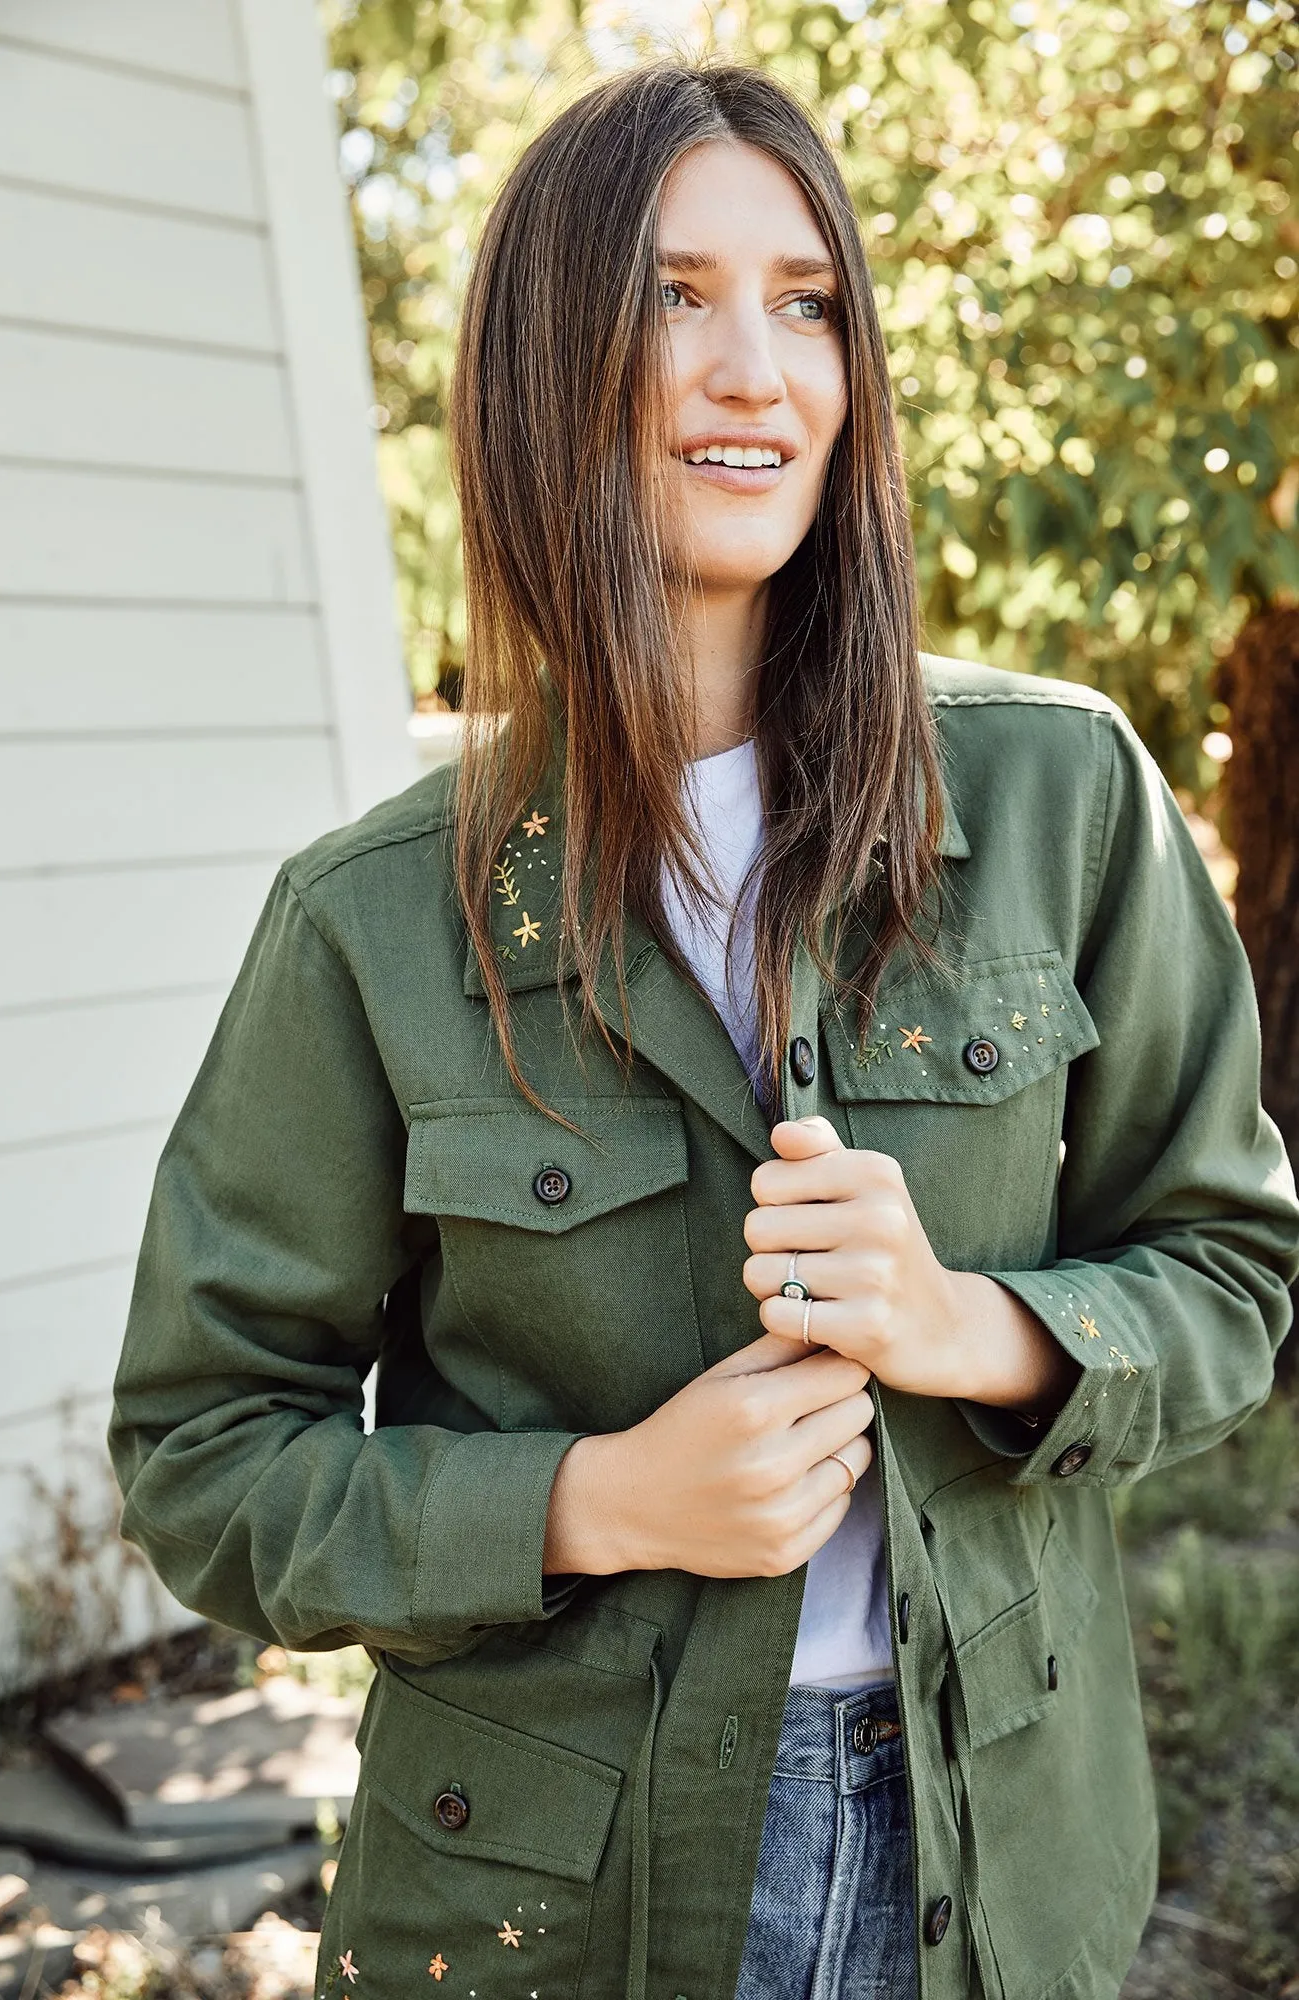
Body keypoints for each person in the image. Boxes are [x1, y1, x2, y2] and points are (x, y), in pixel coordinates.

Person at [108, 58, 1299, 2000]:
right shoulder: (371, 920)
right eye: (674, 296)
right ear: (541, 366)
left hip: (993, 1847)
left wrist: (973, 1324)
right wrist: (600, 1495)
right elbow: (203, 1446)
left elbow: (1234, 1268)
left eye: (807, 301)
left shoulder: (1066, 795)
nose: (757, 365)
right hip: (555, 1894)